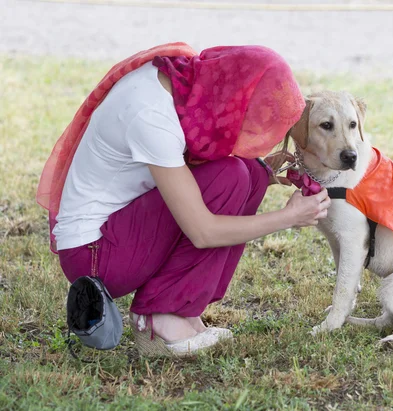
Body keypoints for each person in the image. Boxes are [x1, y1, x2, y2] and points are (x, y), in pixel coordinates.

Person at [36, 43, 331, 356]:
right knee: (230, 175)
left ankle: (182, 310)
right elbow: (202, 231)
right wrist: (289, 218)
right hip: (93, 255)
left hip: (116, 230)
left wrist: (263, 175)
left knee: (248, 172)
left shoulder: (182, 79)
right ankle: (160, 317)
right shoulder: (151, 116)